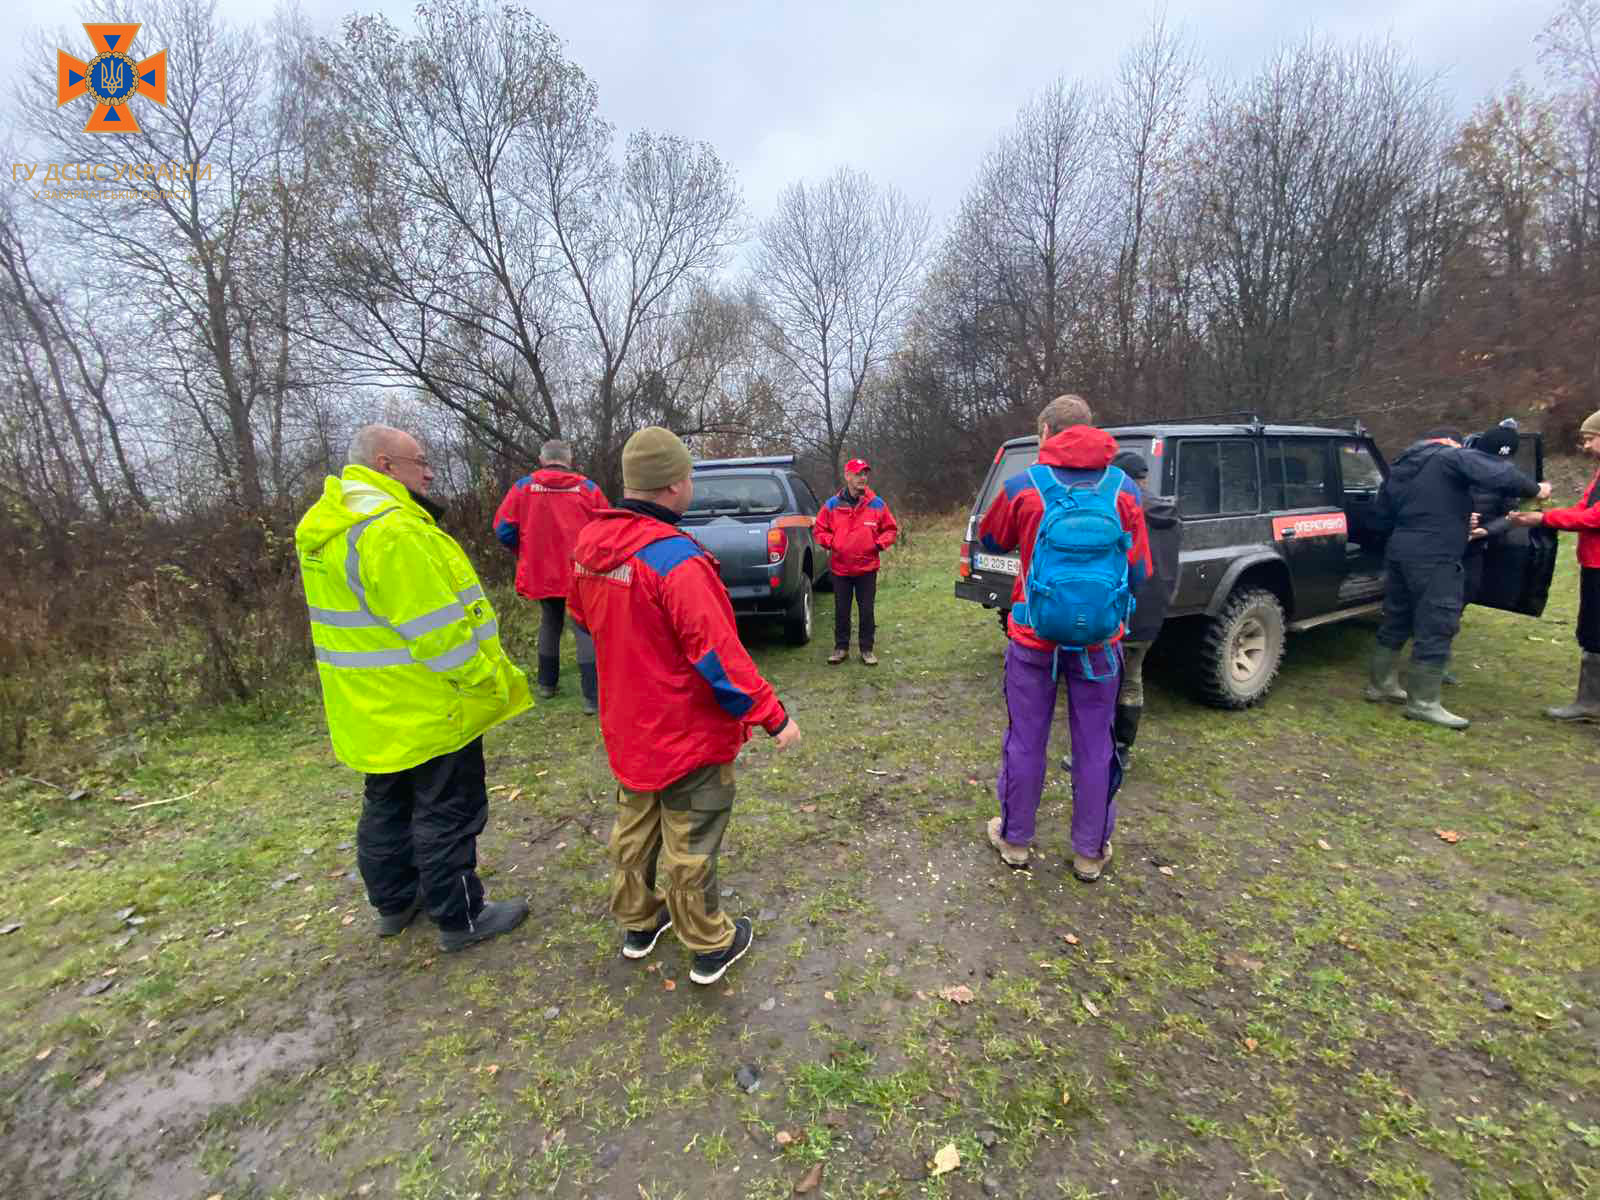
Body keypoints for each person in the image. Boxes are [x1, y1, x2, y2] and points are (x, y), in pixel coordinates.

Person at [569, 427, 803, 985]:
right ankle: (709, 945)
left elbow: (582, 618)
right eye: (690, 476)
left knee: (634, 829)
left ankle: (638, 923)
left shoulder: (588, 548)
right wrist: (774, 717)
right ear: (675, 485)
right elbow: (718, 655)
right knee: (691, 839)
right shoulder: (676, 560)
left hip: (628, 726)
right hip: (686, 732)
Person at [295, 424, 531, 952]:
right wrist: (483, 680)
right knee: (446, 810)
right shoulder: (393, 532)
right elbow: (439, 633)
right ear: (384, 464)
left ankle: (395, 902)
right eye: (419, 460)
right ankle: (460, 918)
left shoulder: (327, 525)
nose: (428, 471)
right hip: (428, 703)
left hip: (368, 706)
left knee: (387, 805)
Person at [977, 394, 1151, 881]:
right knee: (1096, 743)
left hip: (1034, 639)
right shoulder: (1124, 490)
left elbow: (991, 540)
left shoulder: (1023, 486)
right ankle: (1090, 853)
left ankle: (1015, 841)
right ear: (1091, 430)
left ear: (1046, 433)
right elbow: (1139, 571)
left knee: (1026, 740)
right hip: (1099, 644)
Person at [1365, 427, 1549, 729]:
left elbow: (1383, 513)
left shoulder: (1403, 463)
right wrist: (1536, 490)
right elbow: (1499, 475)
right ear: (1453, 443)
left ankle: (1380, 685)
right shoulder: (1450, 456)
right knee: (1439, 622)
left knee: (1397, 617)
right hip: (1435, 555)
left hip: (1400, 549)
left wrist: (1454, 517)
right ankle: (1423, 703)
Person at [493, 440, 608, 713]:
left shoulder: (523, 488)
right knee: (583, 628)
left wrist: (524, 552)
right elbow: (606, 528)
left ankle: (546, 684)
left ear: (542, 459)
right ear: (569, 459)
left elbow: (503, 530)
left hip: (541, 571)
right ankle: (592, 698)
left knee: (550, 622)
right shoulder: (588, 489)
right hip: (581, 570)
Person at [1507, 408, 1600, 721]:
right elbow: (1584, 507)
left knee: (1596, 630)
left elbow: (1594, 518)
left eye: (1590, 439)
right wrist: (1548, 514)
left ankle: (1591, 704)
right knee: (1591, 630)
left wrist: (1544, 518)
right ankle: (1590, 702)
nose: (1586, 446)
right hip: (1593, 562)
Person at [1108, 448, 1181, 764]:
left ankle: (1101, 749)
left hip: (1124, 609)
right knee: (1132, 678)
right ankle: (1122, 747)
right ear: (1145, 478)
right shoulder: (1170, 515)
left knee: (1106, 681)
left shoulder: (1123, 511)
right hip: (1155, 609)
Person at [814, 458, 899, 666]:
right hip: (841, 568)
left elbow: (891, 529)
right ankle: (841, 648)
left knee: (866, 610)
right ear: (848, 476)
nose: (863, 478)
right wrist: (833, 542)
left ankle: (867, 649)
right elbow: (819, 529)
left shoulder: (877, 503)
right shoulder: (832, 504)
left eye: (865, 474)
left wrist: (878, 544)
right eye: (858, 474)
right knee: (841, 610)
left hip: (867, 568)